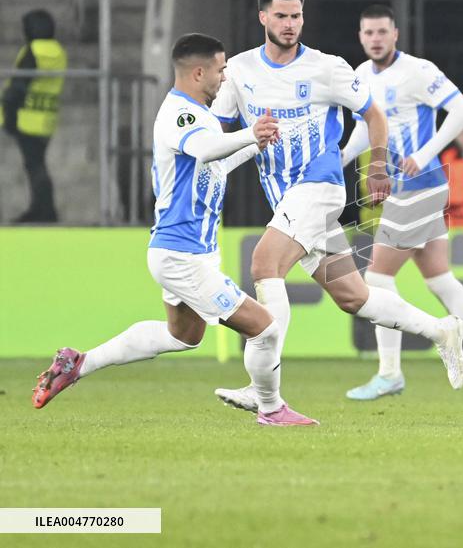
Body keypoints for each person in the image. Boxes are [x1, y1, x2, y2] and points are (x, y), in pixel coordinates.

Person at [31, 33, 318, 426]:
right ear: (198, 73)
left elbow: (213, 164)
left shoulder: (198, 114)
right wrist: (250, 133)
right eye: (220, 70)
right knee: (265, 328)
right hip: (183, 254)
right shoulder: (181, 115)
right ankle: (271, 409)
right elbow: (205, 149)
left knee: (183, 335)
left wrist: (256, 144)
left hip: (185, 252)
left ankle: (78, 363)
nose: (224, 78)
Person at [211, 0, 463, 414]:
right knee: (354, 297)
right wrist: (220, 162)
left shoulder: (327, 68)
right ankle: (442, 330)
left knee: (264, 264)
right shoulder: (239, 70)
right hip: (285, 197)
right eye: (281, 16)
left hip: (319, 187)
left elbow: (374, 115)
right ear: (263, 17)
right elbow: (221, 133)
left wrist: (379, 165)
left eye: (296, 16)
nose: (290, 24)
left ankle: (264, 389)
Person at [339, 4, 463, 403]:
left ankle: (389, 373)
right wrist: (341, 159)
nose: (375, 39)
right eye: (369, 33)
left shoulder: (417, 70)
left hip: (419, 183)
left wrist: (425, 152)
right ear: (361, 37)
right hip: (411, 187)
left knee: (376, 279)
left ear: (395, 34)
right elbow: (366, 130)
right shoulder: (361, 75)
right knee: (440, 280)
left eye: (382, 32)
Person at [0, 9, 67, 222]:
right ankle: (41, 208)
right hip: (46, 117)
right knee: (37, 164)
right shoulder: (58, 52)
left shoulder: (33, 51)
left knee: (34, 166)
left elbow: (19, 86)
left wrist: (8, 113)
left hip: (26, 118)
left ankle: (43, 210)